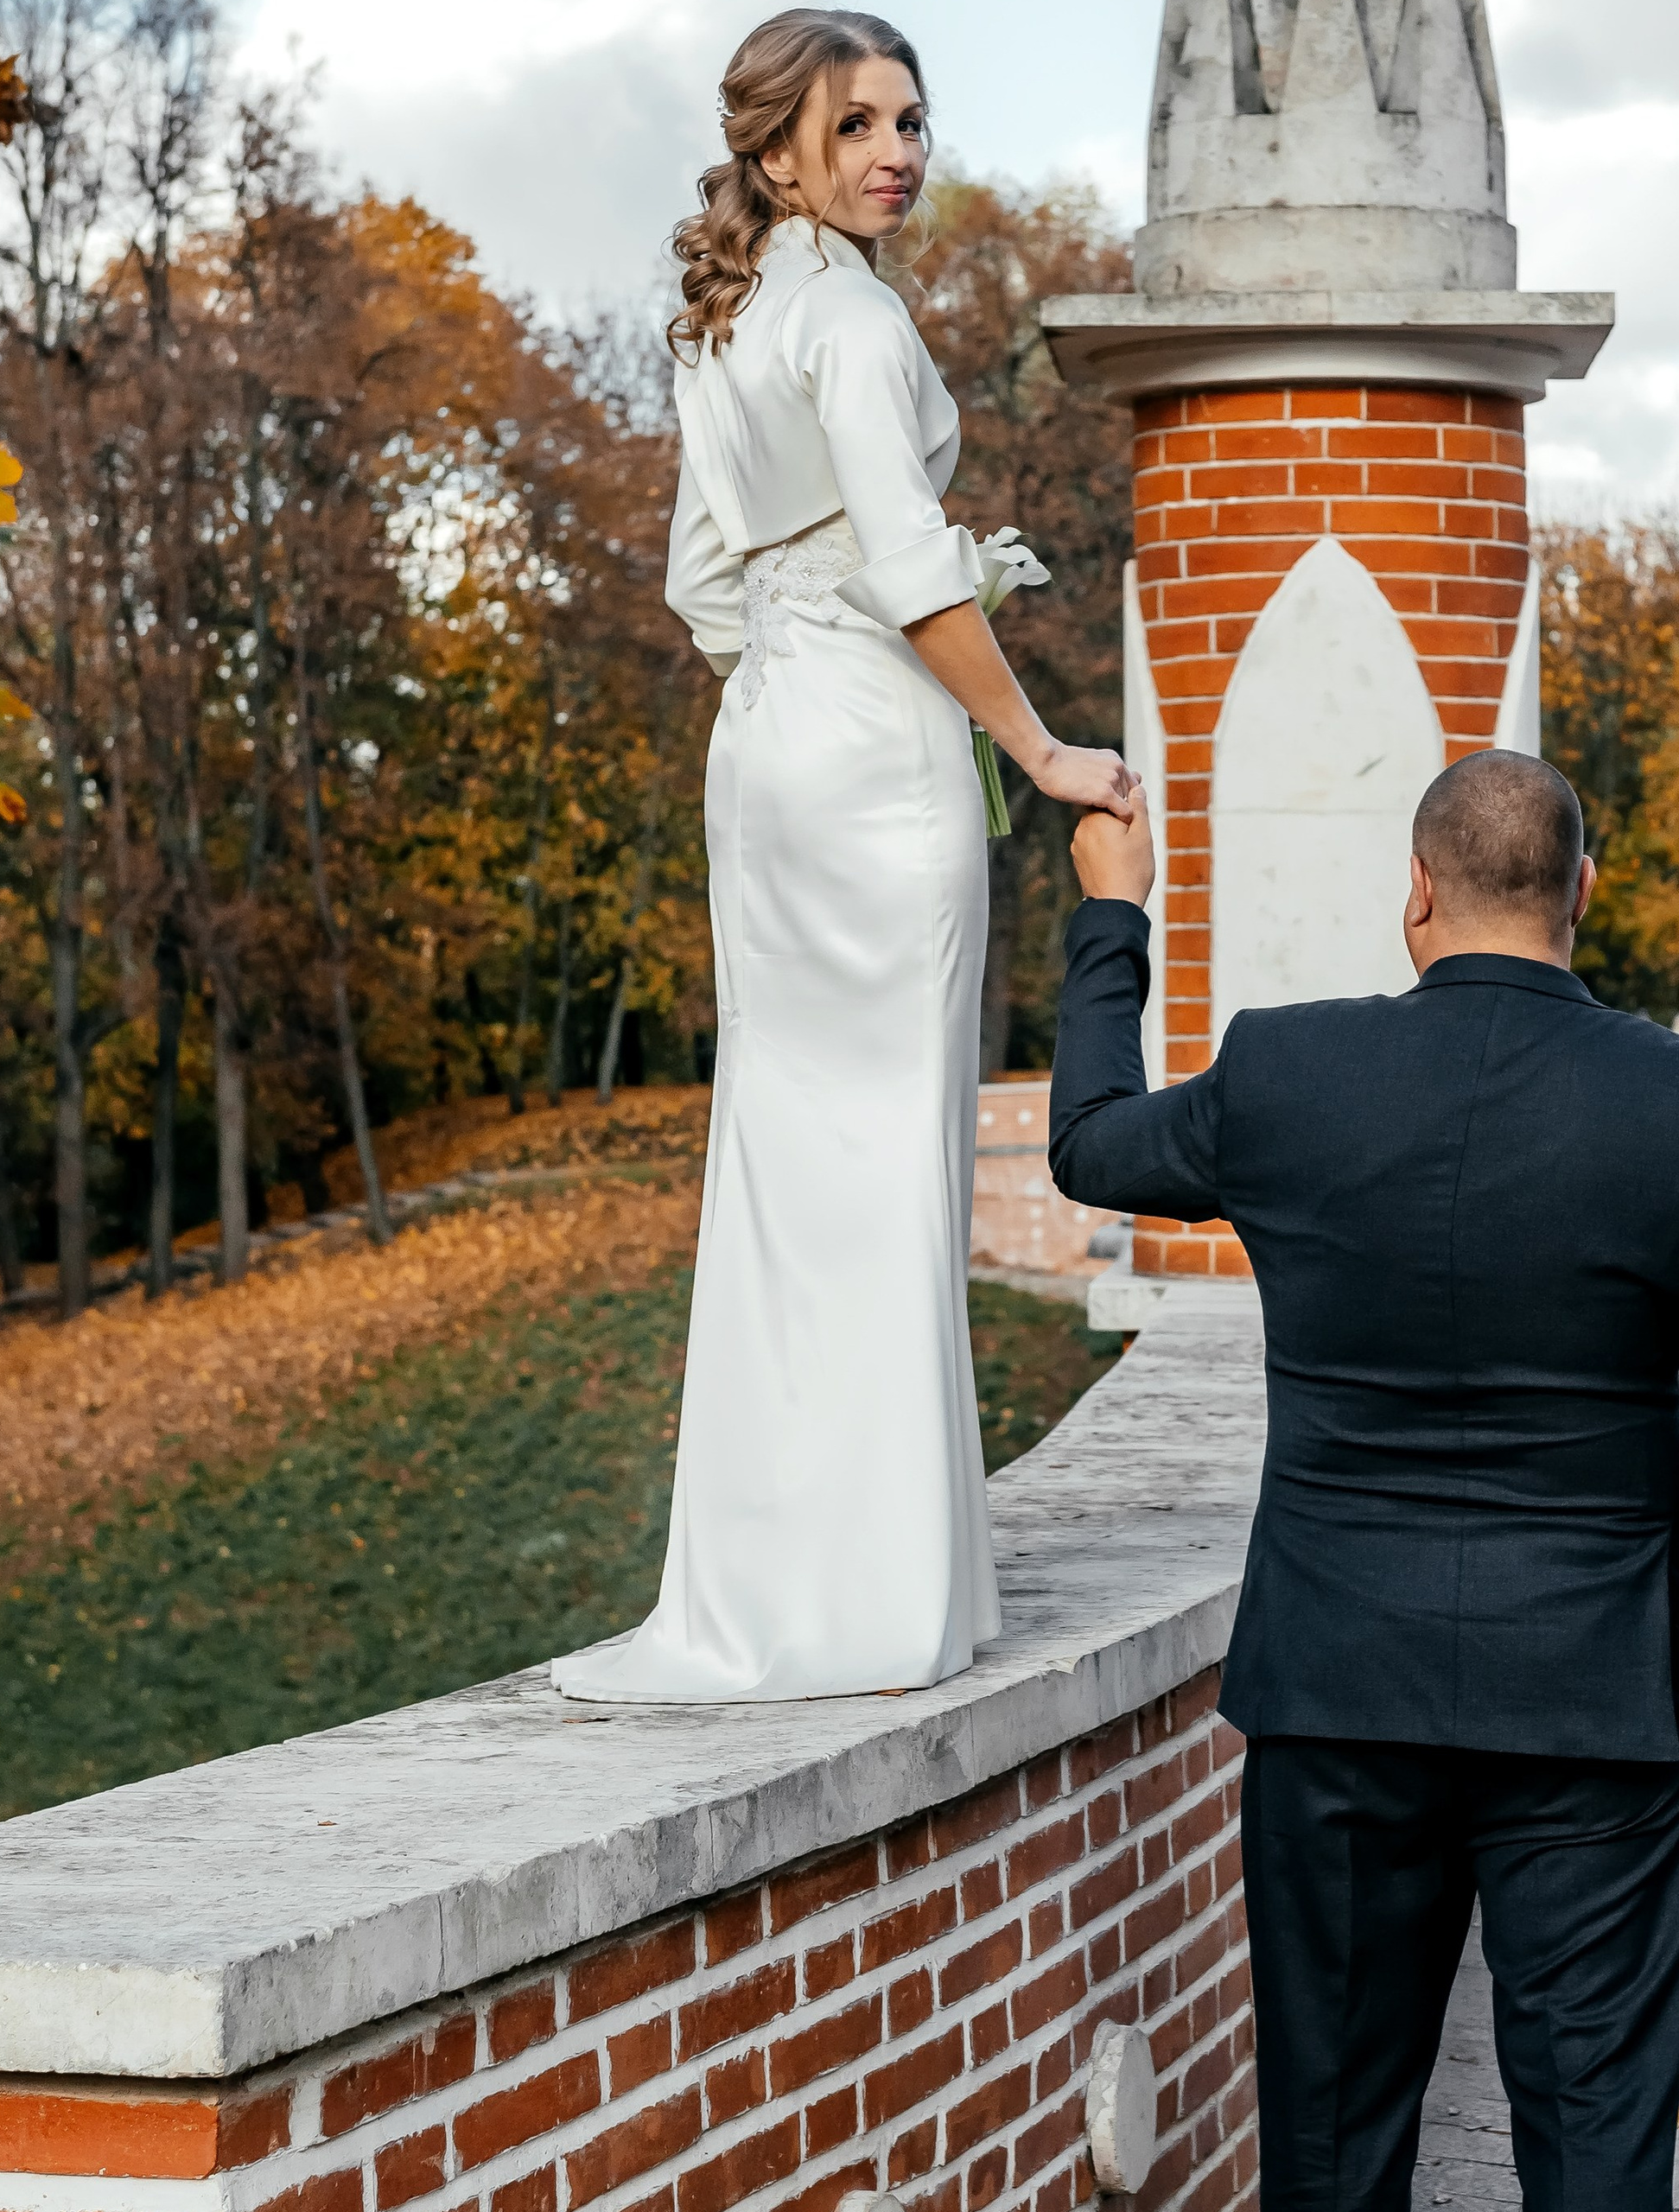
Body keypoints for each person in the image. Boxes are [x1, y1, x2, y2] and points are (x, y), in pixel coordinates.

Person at [1048, 754, 1679, 2211]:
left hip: (1336, 1697)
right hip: (1601, 1701)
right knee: (1599, 2157)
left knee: (1332, 2157)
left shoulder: (1287, 1076)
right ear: (1582, 892)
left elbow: (1088, 1146)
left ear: (1415, 894)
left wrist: (1115, 915)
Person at [553, 10, 1133, 1706]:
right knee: (882, 1162)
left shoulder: (723, 323)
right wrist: (1037, 750)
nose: (894, 147)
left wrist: (803, 672)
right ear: (777, 149)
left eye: (908, 116)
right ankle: (882, 1597)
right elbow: (908, 572)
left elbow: (705, 589)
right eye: (854, 121)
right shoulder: (857, 326)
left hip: (768, 752)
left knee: (784, 1161)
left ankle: (776, 1583)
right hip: (876, 763)